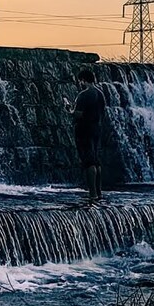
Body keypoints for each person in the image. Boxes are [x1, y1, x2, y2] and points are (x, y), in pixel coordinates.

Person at [64, 69, 106, 205]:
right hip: (97, 129)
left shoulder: (83, 95)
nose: (79, 83)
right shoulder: (100, 94)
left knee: (89, 162)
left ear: (83, 80)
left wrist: (69, 109)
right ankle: (99, 192)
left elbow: (78, 114)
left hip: (84, 130)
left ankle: (92, 193)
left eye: (80, 81)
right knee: (96, 161)